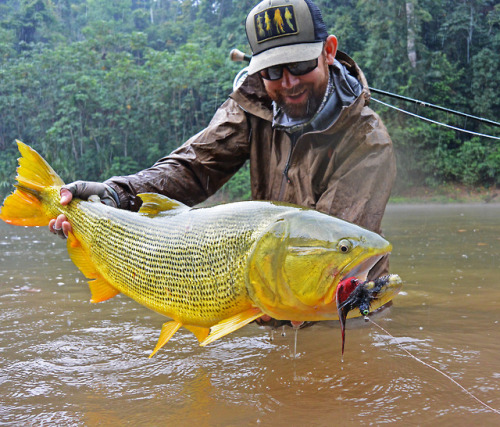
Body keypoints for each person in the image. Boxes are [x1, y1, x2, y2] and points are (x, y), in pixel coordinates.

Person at [50, 0, 396, 324]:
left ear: (329, 52)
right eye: (273, 71)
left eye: (301, 65)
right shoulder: (252, 105)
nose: (288, 83)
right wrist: (116, 195)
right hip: (267, 289)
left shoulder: (368, 142)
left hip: (344, 311)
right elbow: (192, 167)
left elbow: (328, 259)